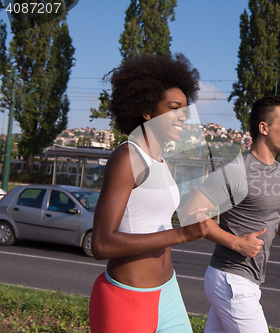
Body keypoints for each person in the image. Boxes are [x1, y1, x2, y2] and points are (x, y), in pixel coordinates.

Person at [89, 54, 209, 333]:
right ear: (147, 111)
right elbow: (101, 245)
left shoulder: (163, 163)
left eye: (185, 110)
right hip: (128, 298)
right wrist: (182, 234)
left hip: (168, 292)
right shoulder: (127, 157)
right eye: (174, 108)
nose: (182, 116)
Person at [180, 93, 280, 333]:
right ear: (264, 127)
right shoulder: (235, 172)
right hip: (230, 278)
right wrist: (236, 243)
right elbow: (189, 214)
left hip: (250, 281)